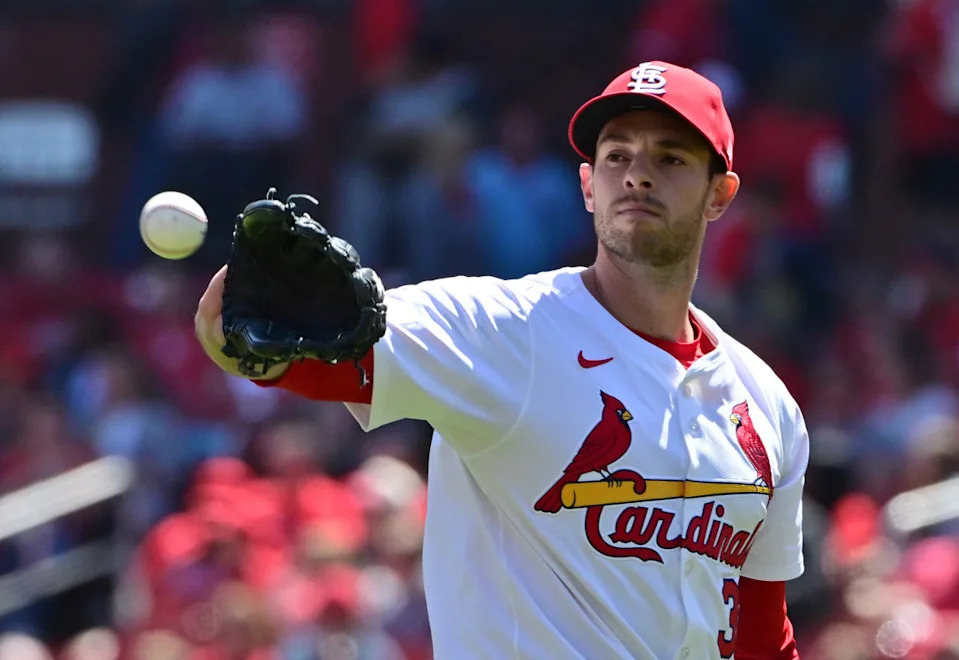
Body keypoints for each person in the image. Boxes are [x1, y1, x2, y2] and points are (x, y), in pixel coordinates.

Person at [196, 61, 807, 658]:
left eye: (670, 158)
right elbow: (291, 349)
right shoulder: (500, 330)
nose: (637, 176)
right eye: (618, 155)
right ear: (588, 185)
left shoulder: (767, 405)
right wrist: (241, 317)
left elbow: (762, 633)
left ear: (719, 195)